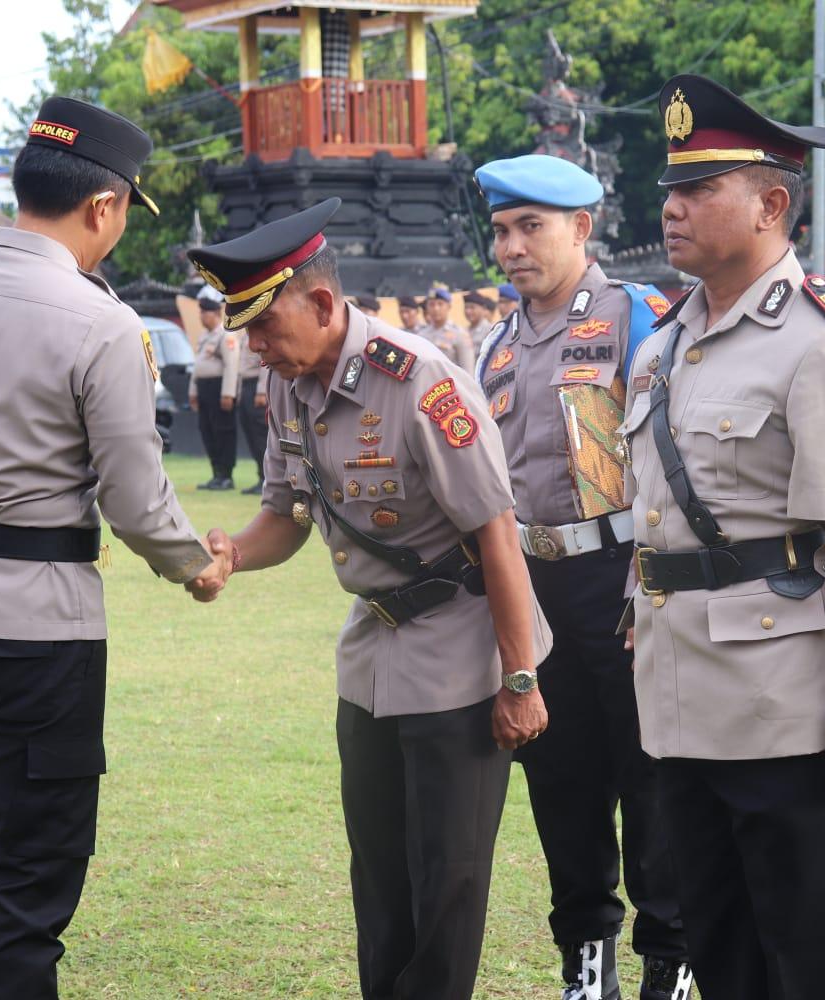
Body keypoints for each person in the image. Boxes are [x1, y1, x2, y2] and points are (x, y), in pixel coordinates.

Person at [0, 97, 228, 999]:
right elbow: (138, 501)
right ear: (104, 206)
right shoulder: (97, 321)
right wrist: (196, 566)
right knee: (26, 887)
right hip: (39, 638)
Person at [193, 198, 553, 1000]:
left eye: (262, 325)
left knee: (448, 881)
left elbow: (497, 534)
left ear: (322, 304)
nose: (252, 347)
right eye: (242, 328)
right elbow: (287, 513)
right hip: (373, 659)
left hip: (463, 658)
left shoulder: (421, 382)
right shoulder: (290, 385)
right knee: (380, 873)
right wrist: (234, 555)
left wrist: (520, 677)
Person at [621, 74, 825, 1000]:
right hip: (683, 701)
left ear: (772, 203)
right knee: (725, 955)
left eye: (700, 190)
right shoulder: (662, 346)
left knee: (814, 962)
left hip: (789, 709)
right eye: (671, 189)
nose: (672, 208)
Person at [473, 153, 689, 1000]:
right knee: (560, 780)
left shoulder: (642, 319)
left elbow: (676, 468)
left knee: (652, 782)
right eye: (500, 230)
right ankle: (585, 964)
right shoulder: (497, 342)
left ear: (581, 229)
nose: (512, 247)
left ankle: (669, 962)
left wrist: (648, 583)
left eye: (531, 227)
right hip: (536, 586)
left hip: (624, 581)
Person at [191, 294, 242, 490]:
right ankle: (216, 473)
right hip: (205, 389)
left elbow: (231, 366)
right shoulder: (204, 337)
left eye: (204, 313)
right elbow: (198, 367)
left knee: (223, 432)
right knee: (207, 431)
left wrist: (228, 393)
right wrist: (193, 391)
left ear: (215, 314)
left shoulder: (225, 335)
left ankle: (226, 476)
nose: (201, 317)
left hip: (219, 388)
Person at [237, 325, 269, 495]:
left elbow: (265, 363)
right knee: (250, 433)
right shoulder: (245, 336)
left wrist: (262, 391)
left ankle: (267, 478)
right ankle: (261, 477)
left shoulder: (260, 334)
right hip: (246, 386)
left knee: (260, 435)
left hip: (256, 386)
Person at [422, 286, 476, 370]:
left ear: (449, 306)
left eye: (440, 304)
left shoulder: (460, 334)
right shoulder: (422, 335)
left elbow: (468, 370)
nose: (436, 308)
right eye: (432, 304)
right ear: (427, 308)